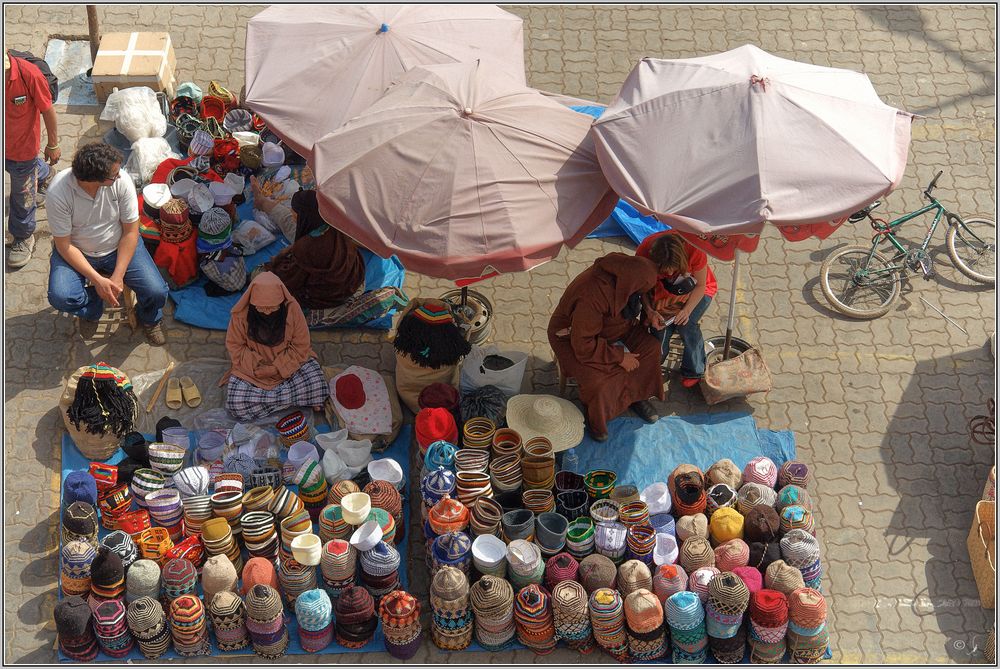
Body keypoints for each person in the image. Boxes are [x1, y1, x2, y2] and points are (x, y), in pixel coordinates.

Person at [46, 142, 169, 345]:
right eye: (113, 175)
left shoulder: (122, 182)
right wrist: (97, 280)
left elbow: (131, 232)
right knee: (61, 296)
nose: (119, 176)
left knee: (157, 291)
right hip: (78, 251)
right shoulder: (58, 192)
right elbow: (64, 245)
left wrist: (118, 276)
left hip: (119, 246)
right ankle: (93, 309)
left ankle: (149, 318)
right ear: (94, 180)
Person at [548, 252, 664, 441]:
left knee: (650, 349)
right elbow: (583, 345)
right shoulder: (592, 295)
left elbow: (641, 293)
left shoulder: (626, 273)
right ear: (630, 286)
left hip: (613, 328)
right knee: (599, 381)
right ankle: (597, 421)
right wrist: (619, 357)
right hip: (571, 338)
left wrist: (649, 312)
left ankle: (636, 397)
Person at [222, 271, 328, 422]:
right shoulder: (241, 315)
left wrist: (277, 368)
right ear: (252, 303)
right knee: (236, 402)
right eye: (261, 308)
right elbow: (235, 346)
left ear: (281, 302)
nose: (266, 312)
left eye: (272, 308)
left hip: (288, 367)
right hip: (254, 372)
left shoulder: (292, 310)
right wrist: (256, 366)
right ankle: (293, 401)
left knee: (316, 382)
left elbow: (301, 346)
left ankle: (271, 403)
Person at [250, 178, 366, 310]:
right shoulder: (333, 225)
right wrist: (263, 202)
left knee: (259, 276)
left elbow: (293, 278)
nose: (294, 217)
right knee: (290, 225)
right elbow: (289, 220)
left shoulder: (306, 248)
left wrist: (278, 262)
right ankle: (261, 201)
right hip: (353, 280)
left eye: (296, 215)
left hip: (329, 295)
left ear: (304, 217)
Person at [636, 231, 717, 388]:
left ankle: (694, 369)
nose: (671, 274)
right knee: (658, 331)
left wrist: (686, 311)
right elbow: (641, 288)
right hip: (659, 295)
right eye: (665, 272)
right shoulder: (644, 252)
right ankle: (654, 366)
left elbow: (701, 286)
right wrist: (650, 311)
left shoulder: (695, 249)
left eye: (675, 270)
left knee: (687, 325)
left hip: (697, 292)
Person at [5, 50, 60, 268]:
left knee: (22, 197)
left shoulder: (30, 75)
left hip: (22, 150)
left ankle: (23, 236)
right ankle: (45, 176)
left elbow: (48, 110)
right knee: (27, 178)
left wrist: (53, 144)